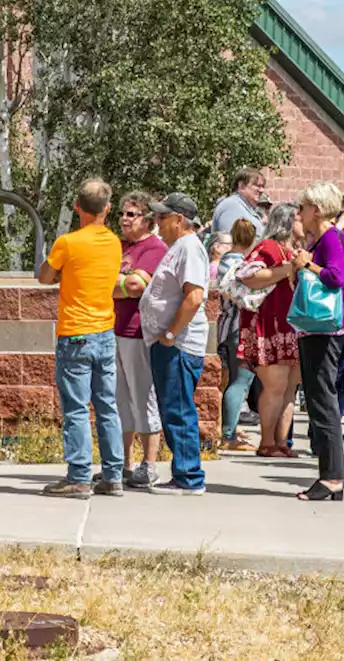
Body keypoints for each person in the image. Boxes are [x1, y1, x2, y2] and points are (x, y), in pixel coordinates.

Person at [37, 178, 124, 499]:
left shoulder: (68, 243)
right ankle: (114, 475)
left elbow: (44, 276)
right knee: (107, 406)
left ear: (77, 208)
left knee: (75, 409)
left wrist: (62, 273)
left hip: (75, 333)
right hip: (105, 332)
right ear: (108, 209)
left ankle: (79, 477)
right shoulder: (114, 242)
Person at [140, 193, 211, 495]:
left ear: (179, 220)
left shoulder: (190, 248)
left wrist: (170, 334)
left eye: (162, 217)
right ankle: (183, 473)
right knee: (172, 409)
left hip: (178, 345)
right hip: (170, 344)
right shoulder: (179, 247)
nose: (157, 222)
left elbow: (194, 296)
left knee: (178, 410)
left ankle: (188, 477)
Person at [291, 183, 344, 501]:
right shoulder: (328, 236)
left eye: (302, 207)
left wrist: (306, 264)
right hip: (319, 329)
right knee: (319, 399)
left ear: (316, 208)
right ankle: (331, 476)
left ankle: (331, 477)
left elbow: (336, 276)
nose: (299, 213)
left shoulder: (331, 237)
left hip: (326, 329)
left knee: (323, 401)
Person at [112, 191, 168, 488]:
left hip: (137, 332)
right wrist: (117, 285)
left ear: (147, 219)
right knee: (118, 397)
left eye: (131, 214)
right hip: (112, 329)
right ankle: (122, 463)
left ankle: (149, 463)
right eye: (122, 213)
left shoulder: (154, 248)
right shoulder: (117, 246)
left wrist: (110, 284)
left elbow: (136, 286)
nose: (124, 219)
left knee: (142, 395)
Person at [236, 203, 301, 457]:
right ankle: (267, 442)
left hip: (291, 326)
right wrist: (285, 270)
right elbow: (247, 275)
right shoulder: (269, 247)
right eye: (297, 217)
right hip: (269, 325)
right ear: (286, 222)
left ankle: (282, 442)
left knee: (289, 389)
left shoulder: (295, 250)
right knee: (275, 386)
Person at [217, 219, 259, 451]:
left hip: (226, 325)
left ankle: (228, 428)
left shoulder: (225, 261)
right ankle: (229, 435)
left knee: (231, 379)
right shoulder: (246, 265)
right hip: (241, 326)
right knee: (241, 381)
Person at [211, 167, 267, 237]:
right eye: (258, 186)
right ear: (242, 186)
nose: (262, 190)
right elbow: (232, 242)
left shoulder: (246, 208)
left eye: (263, 186)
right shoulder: (230, 206)